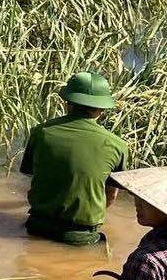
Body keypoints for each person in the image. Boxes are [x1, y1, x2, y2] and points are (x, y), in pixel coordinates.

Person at [20, 71, 126, 246]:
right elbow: (111, 196)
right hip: (81, 237)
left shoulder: (41, 132)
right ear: (101, 110)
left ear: (67, 103)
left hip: (37, 227)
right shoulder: (117, 145)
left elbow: (32, 175)